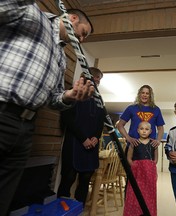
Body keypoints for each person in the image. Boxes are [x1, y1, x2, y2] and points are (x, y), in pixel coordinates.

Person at [0, 2, 94, 215]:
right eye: (83, 33)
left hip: (25, 129)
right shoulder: (31, 13)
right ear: (73, 19)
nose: (82, 39)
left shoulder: (61, 56)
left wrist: (69, 97)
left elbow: (53, 100)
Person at [57, 68, 105, 204]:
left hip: (92, 145)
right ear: (86, 76)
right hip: (74, 143)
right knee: (68, 177)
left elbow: (101, 121)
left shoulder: (98, 99)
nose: (98, 80)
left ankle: (79, 209)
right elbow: (67, 119)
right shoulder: (74, 92)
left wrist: (96, 137)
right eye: (96, 77)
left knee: (85, 178)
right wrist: (83, 139)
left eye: (99, 79)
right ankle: (61, 210)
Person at [123, 121, 158, 216]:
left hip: (149, 173)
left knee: (148, 193)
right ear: (138, 130)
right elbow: (129, 158)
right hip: (136, 173)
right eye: (141, 129)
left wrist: (149, 167)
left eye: (146, 129)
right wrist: (135, 166)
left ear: (150, 131)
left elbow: (155, 159)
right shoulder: (134, 143)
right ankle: (134, 212)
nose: (144, 131)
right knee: (135, 192)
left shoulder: (153, 143)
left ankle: (147, 212)